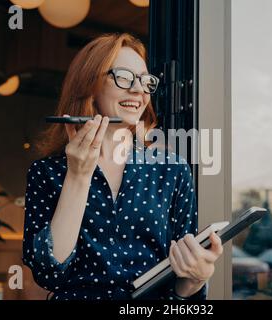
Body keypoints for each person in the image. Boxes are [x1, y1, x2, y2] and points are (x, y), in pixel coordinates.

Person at [22, 33, 223, 300]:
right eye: (124, 77)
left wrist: (196, 278)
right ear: (89, 84)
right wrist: (78, 176)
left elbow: (181, 288)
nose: (139, 90)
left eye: (145, 81)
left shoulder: (172, 170)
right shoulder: (46, 173)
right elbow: (49, 273)